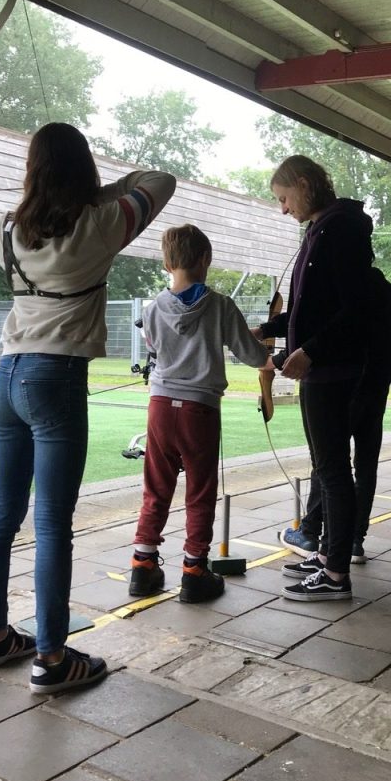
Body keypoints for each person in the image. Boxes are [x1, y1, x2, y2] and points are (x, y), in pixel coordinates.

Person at [0, 123, 176, 694]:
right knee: (53, 522)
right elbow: (160, 180)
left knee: (1, 511)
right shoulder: (102, 221)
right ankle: (53, 660)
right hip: (56, 378)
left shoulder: (7, 230)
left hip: (9, 377)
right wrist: (97, 191)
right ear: (83, 171)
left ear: (32, 171)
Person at [253, 155, 374, 601]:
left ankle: (336, 573)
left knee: (333, 470)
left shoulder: (340, 230)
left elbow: (354, 309)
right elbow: (311, 309)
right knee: (328, 467)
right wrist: (267, 329)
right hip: (324, 367)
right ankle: (326, 557)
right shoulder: (322, 229)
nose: (283, 208)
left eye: (284, 198)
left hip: (332, 370)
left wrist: (311, 351)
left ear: (303, 185)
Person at [128, 224, 271, 603]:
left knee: (157, 486)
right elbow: (253, 355)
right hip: (200, 409)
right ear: (205, 259)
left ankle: (142, 566)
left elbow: (156, 349)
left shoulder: (151, 309)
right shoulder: (221, 306)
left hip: (161, 406)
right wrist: (276, 357)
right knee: (200, 490)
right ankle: (194, 571)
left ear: (166, 263)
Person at [278, 265, 391, 569]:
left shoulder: (349, 289)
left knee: (329, 463)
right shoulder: (382, 289)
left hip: (346, 384)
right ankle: (354, 539)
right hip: (376, 387)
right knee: (364, 464)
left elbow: (327, 334)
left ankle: (313, 535)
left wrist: (278, 357)